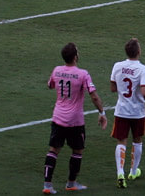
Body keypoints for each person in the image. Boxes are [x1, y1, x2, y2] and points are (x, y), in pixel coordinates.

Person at [42, 43, 107, 195]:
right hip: (75, 120)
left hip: (58, 117)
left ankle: (47, 185)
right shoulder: (83, 74)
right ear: (75, 57)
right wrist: (102, 113)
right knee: (77, 150)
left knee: (53, 150)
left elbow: (50, 85)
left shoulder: (57, 70)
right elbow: (94, 96)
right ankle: (71, 183)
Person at [110, 38, 145, 188]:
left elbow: (113, 88)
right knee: (137, 140)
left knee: (121, 141)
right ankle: (133, 171)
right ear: (138, 52)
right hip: (137, 112)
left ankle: (120, 173)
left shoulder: (117, 66)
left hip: (121, 110)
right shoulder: (143, 69)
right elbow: (144, 90)